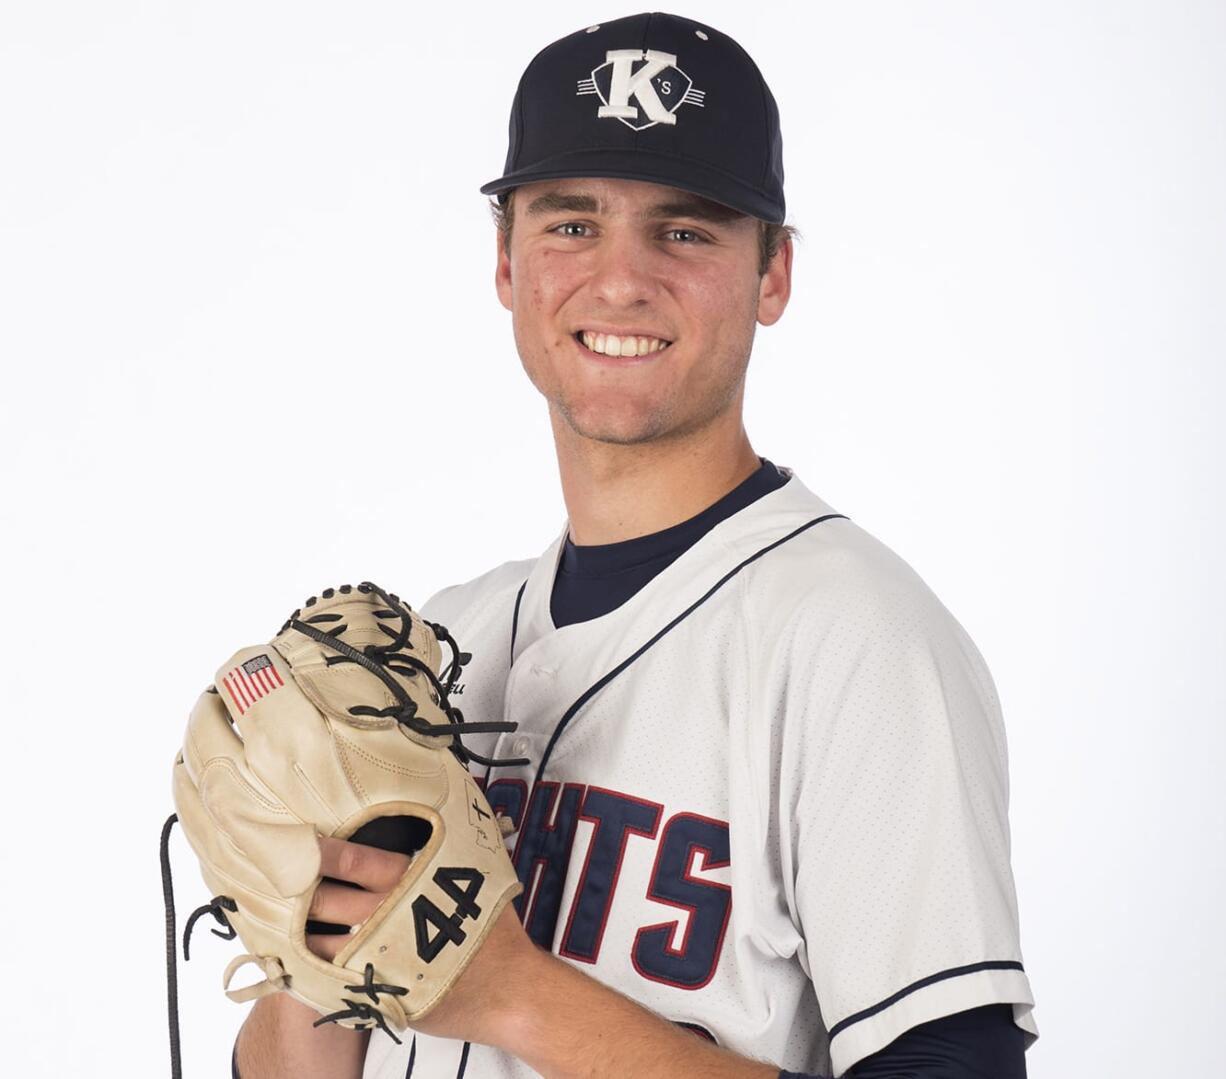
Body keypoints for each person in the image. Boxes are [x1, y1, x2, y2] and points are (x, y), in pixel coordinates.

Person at [233, 12, 1038, 1078]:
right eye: (571, 224)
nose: (619, 280)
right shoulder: (446, 639)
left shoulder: (862, 645)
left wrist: (516, 994)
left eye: (685, 230)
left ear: (772, 274)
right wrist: (313, 927)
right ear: (506, 263)